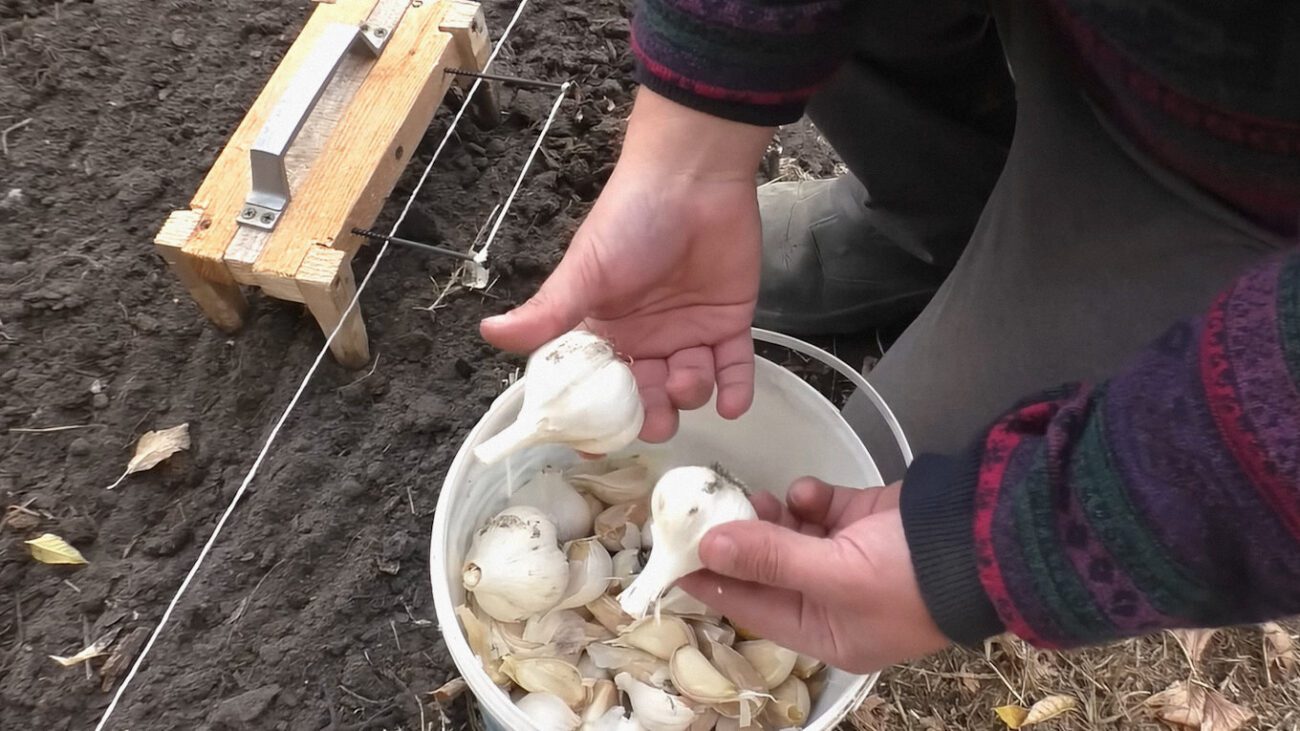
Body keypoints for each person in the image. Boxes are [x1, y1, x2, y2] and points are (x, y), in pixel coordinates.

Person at [481, 0, 1300, 673]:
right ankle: (937, 216)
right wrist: (694, 136)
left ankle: (1084, 226)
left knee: (868, 464)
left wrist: (1008, 545)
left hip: (1236, 179)